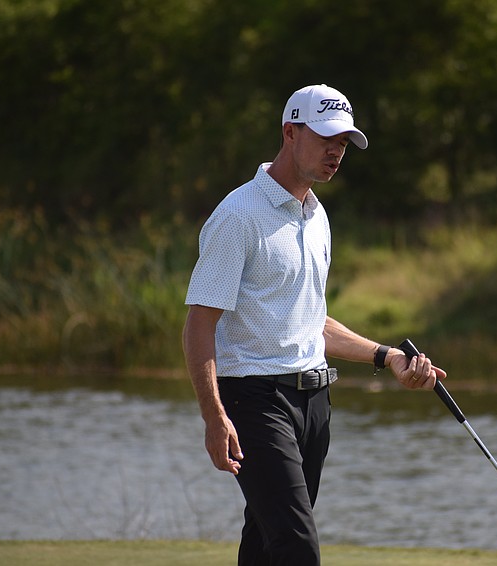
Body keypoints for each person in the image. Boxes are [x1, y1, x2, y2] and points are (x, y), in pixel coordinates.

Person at [182, 83, 446, 566]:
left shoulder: (316, 215)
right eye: (326, 138)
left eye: (343, 143)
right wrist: (213, 414)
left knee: (266, 544)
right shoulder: (238, 215)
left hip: (314, 403)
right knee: (297, 549)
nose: (335, 152)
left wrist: (387, 356)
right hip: (255, 400)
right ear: (289, 131)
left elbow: (311, 322)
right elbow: (199, 324)